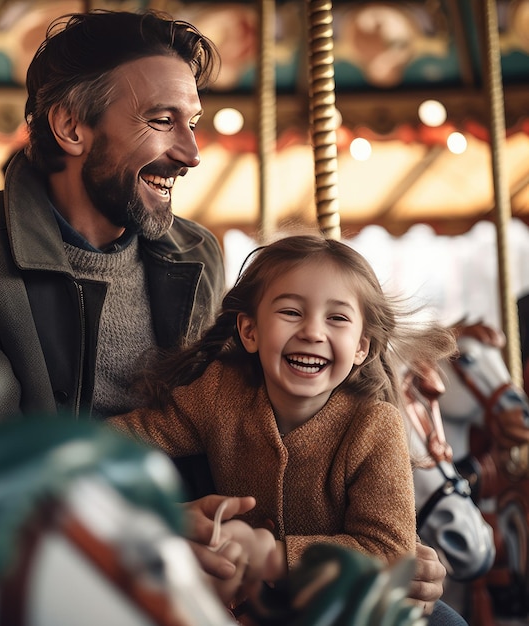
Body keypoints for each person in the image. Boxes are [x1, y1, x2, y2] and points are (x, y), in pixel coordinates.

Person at [0, 9, 457, 621]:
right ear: (71, 127)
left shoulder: (194, 252)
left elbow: (229, 412)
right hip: (56, 547)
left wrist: (350, 552)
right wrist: (152, 523)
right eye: (161, 121)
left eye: (194, 123)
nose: (192, 152)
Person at [110, 234, 458, 605]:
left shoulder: (375, 427)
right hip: (242, 602)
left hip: (338, 607)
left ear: (361, 346)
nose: (312, 332)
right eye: (291, 312)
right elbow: (118, 444)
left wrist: (273, 556)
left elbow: (391, 552)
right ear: (250, 331)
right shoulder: (219, 393)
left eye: (337, 318)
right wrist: (161, 514)